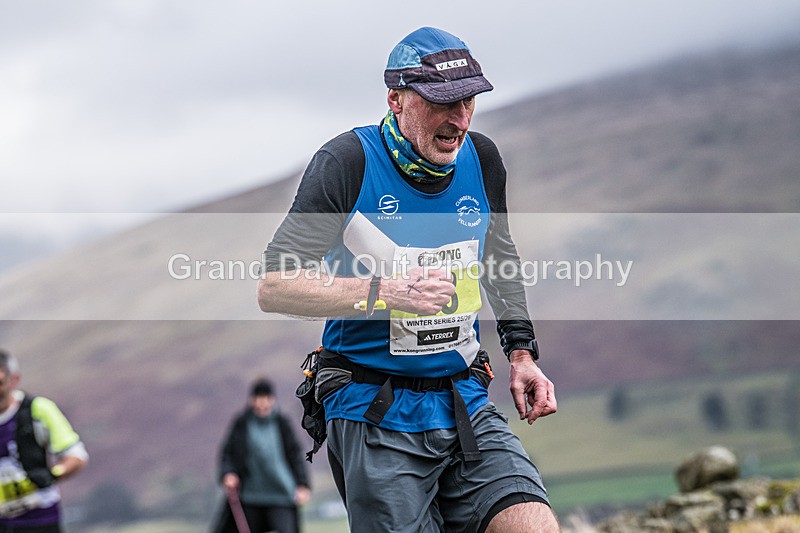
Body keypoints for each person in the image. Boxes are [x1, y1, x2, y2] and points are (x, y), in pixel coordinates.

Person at [258, 26, 559, 532]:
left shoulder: (482, 160)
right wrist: (385, 293)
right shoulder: (347, 162)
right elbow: (275, 285)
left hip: (463, 398)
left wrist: (522, 355)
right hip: (374, 410)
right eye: (442, 102)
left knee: (533, 525)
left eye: (468, 101)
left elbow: (498, 257)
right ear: (396, 99)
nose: (459, 118)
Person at [0, 349, 88, 532]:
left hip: (41, 520)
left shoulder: (39, 410)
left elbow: (77, 456)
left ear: (14, 379)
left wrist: (54, 473)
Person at [214, 378, 311, 533]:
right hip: (250, 496)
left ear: (272, 399)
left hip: (281, 494)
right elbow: (228, 453)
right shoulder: (242, 423)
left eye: (266, 398)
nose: (262, 402)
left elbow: (295, 455)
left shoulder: (282, 423)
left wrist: (302, 484)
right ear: (252, 400)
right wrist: (228, 473)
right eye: (258, 398)